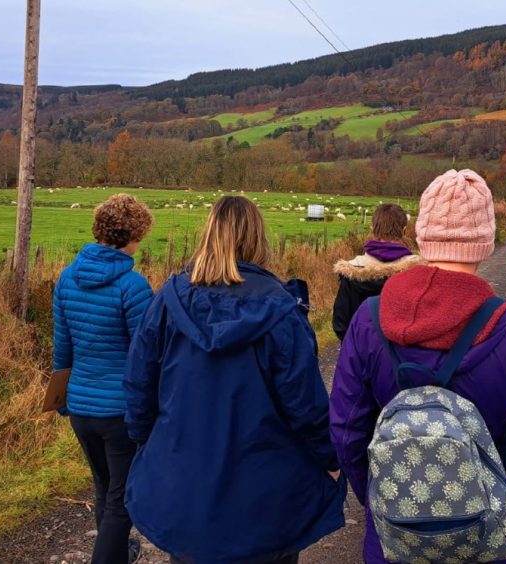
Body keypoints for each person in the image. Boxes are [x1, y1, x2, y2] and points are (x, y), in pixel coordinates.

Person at [329, 170, 506, 564]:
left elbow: (345, 432)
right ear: (486, 241)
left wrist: (382, 499)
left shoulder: (367, 323)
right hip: (490, 541)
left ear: (422, 235)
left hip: (395, 541)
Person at [124, 196, 345, 564]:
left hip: (186, 486)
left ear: (208, 235)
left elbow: (138, 387)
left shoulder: (167, 301)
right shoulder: (281, 310)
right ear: (258, 238)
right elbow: (305, 406)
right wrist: (330, 459)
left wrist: (149, 445)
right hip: (265, 497)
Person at [53, 193, 154, 564]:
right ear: (134, 235)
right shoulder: (134, 287)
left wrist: (62, 398)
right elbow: (146, 358)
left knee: (104, 486)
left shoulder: (67, 278)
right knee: (121, 500)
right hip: (120, 411)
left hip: (81, 407)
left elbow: (62, 347)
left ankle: (119, 552)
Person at [332, 203, 420, 342]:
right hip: (403, 355)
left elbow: (341, 324)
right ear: (404, 231)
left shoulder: (353, 270)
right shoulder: (418, 270)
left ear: (373, 229)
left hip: (363, 352)